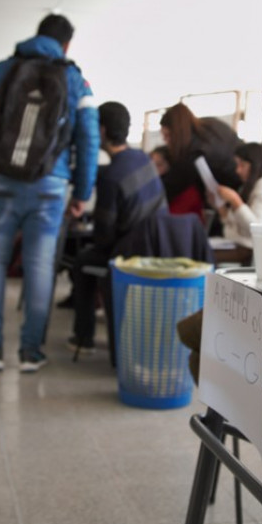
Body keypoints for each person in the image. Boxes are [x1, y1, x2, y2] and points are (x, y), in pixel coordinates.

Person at [0, 13, 99, 372]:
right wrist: (82, 192)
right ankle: (30, 352)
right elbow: (88, 139)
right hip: (50, 185)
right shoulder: (75, 79)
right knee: (40, 266)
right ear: (67, 44)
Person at [69, 101, 167, 354]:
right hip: (159, 244)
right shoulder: (142, 158)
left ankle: (83, 337)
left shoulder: (112, 177)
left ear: (101, 130)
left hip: (129, 253)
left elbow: (104, 235)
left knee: (81, 261)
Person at [158, 102, 241, 220]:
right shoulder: (212, 124)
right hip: (244, 189)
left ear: (176, 132)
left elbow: (169, 188)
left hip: (231, 200)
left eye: (167, 135)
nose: (166, 141)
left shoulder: (195, 153)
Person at [213, 142, 262, 263]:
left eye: (242, 165)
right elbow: (236, 223)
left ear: (255, 165)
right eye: (237, 165)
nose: (237, 170)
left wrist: (235, 200)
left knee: (204, 255)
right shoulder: (251, 185)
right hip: (242, 244)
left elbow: (259, 228)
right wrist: (221, 208)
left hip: (252, 250)